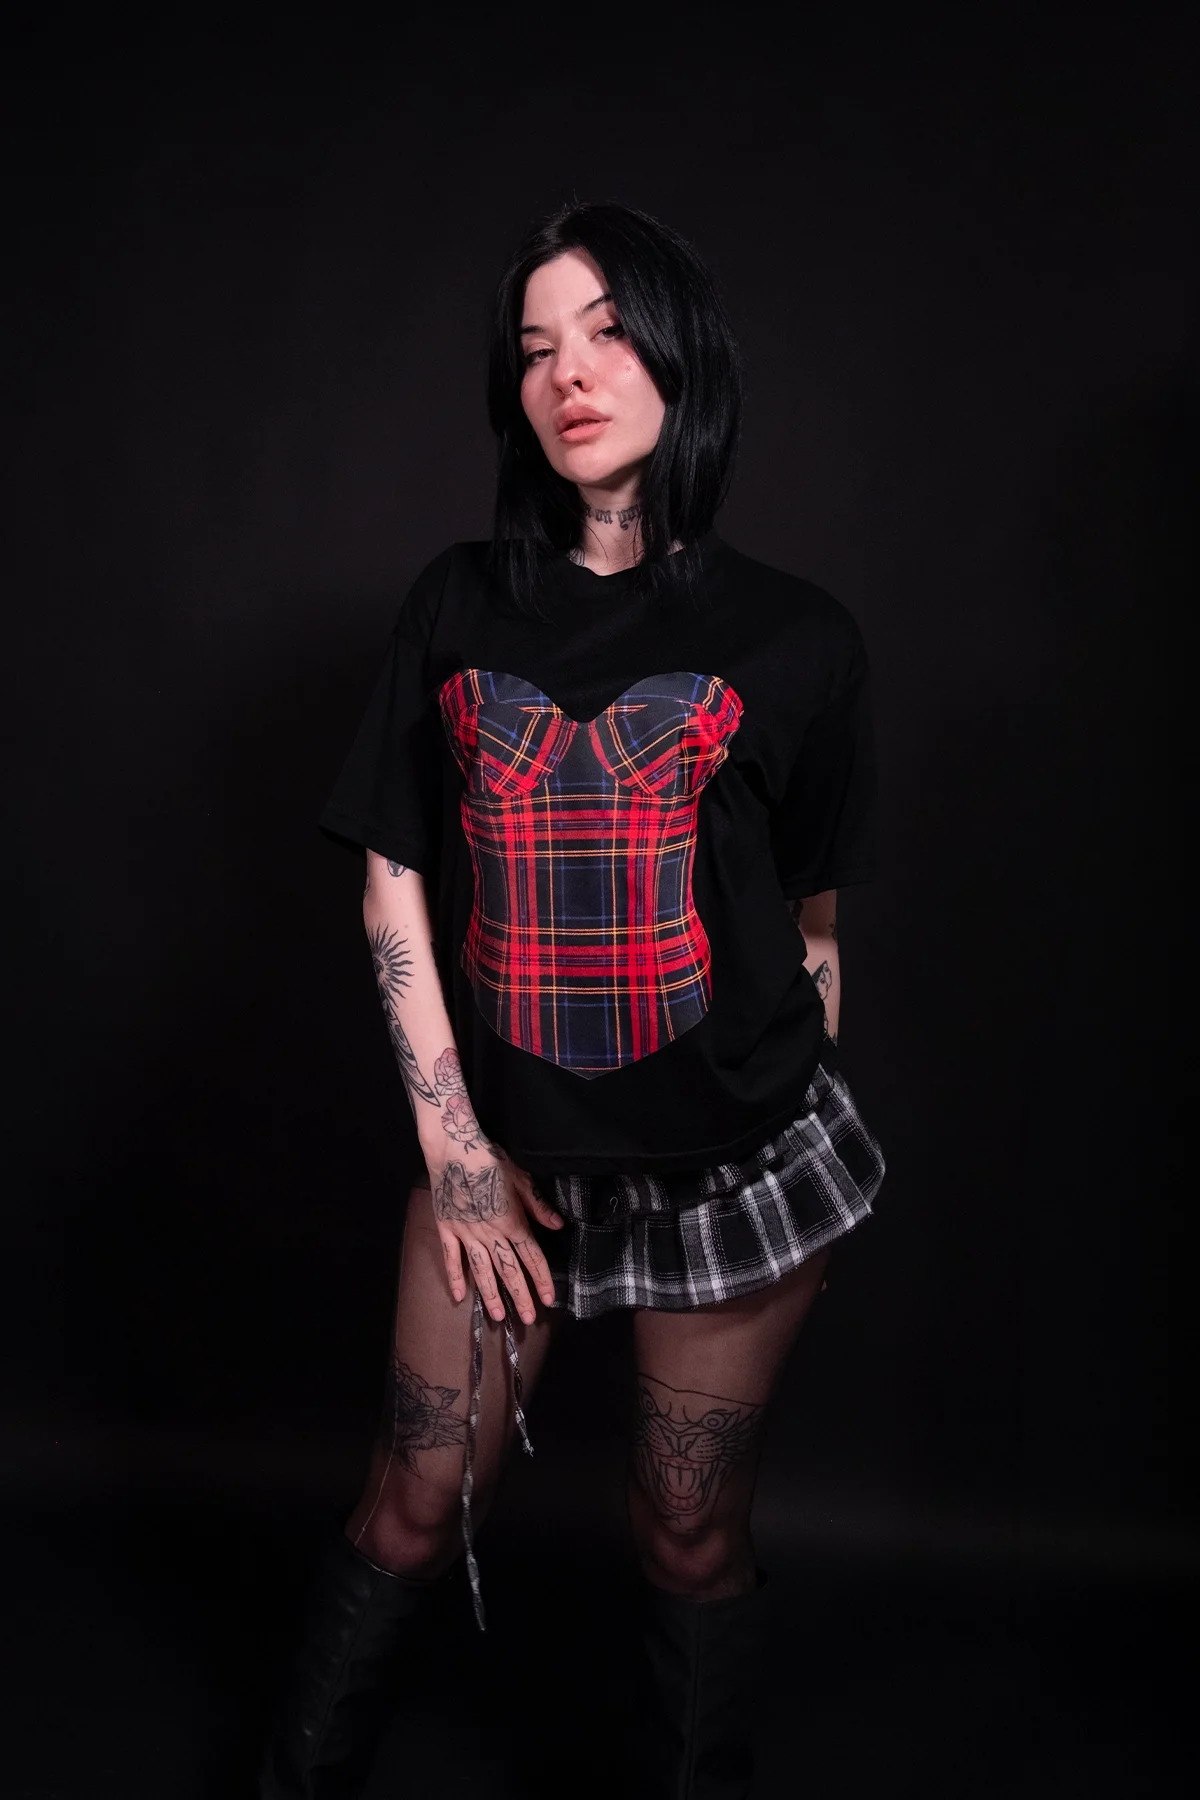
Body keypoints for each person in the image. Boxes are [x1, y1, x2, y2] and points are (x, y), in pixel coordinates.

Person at [260, 200, 885, 1800]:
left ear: (684, 357)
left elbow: (812, 918)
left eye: (606, 332)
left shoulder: (801, 638)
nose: (568, 374)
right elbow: (391, 875)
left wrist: (765, 1093)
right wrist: (459, 1153)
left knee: (685, 1530)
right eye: (535, 348)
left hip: (732, 1164)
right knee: (412, 1500)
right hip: (507, 1161)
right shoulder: (458, 603)